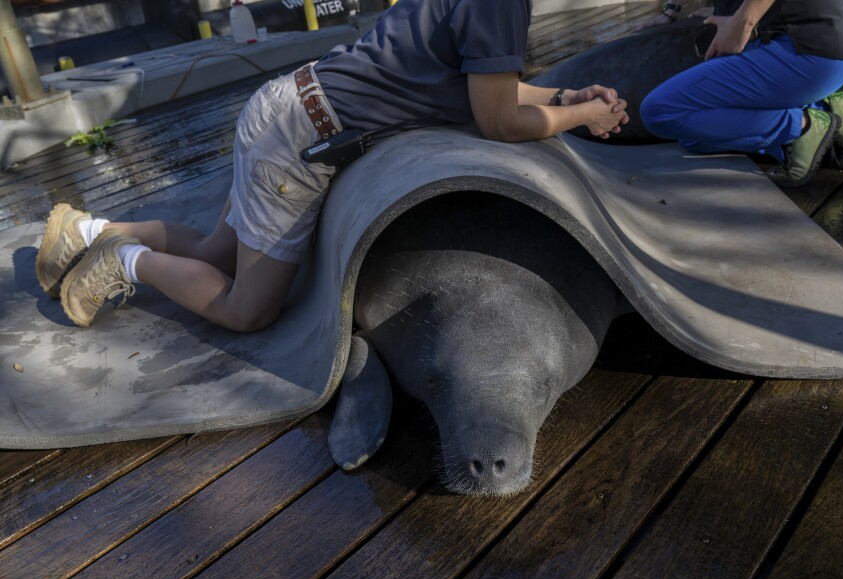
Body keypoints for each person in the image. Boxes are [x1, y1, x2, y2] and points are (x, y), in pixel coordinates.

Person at [35, 0, 629, 332]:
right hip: (299, 138)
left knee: (216, 251)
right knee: (249, 309)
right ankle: (123, 261)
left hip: (286, 106)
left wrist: (561, 100)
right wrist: (579, 120)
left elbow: (491, 89)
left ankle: (83, 232)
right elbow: (497, 121)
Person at [636, 0, 843, 187]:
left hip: (806, 51)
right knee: (694, 138)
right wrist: (672, 11)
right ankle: (829, 106)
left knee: (660, 111)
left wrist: (743, 20)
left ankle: (802, 126)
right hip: (838, 48)